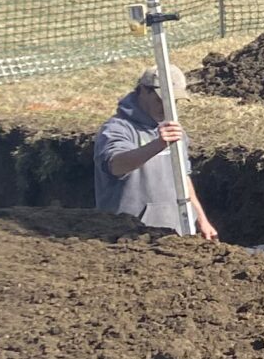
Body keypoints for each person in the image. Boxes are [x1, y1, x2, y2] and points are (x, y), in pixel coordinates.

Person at [93, 69, 219, 240]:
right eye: (162, 100)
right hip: (127, 236)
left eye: (174, 101)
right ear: (144, 91)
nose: (167, 107)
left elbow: (183, 177)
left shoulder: (175, 132)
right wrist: (158, 145)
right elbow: (116, 165)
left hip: (174, 235)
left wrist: (201, 219)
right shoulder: (117, 129)